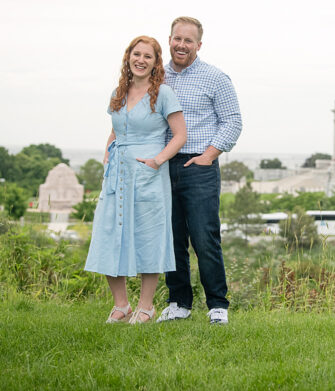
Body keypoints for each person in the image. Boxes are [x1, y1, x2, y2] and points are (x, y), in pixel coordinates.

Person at [84, 36, 187, 324]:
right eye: (136, 54)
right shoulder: (119, 92)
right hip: (117, 174)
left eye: (148, 56)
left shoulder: (163, 94)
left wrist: (157, 160)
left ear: (156, 63)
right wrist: (107, 154)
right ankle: (121, 305)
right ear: (128, 57)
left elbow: (180, 135)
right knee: (109, 233)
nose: (140, 60)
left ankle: (146, 306)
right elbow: (116, 130)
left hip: (149, 176)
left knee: (147, 236)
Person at [156, 17, 242, 325]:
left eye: (188, 40)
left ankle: (217, 304)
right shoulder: (158, 76)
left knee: (205, 237)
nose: (181, 45)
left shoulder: (216, 78)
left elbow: (232, 122)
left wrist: (208, 156)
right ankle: (179, 302)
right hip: (164, 166)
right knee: (172, 237)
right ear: (169, 40)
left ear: (199, 45)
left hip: (199, 166)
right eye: (177, 38)